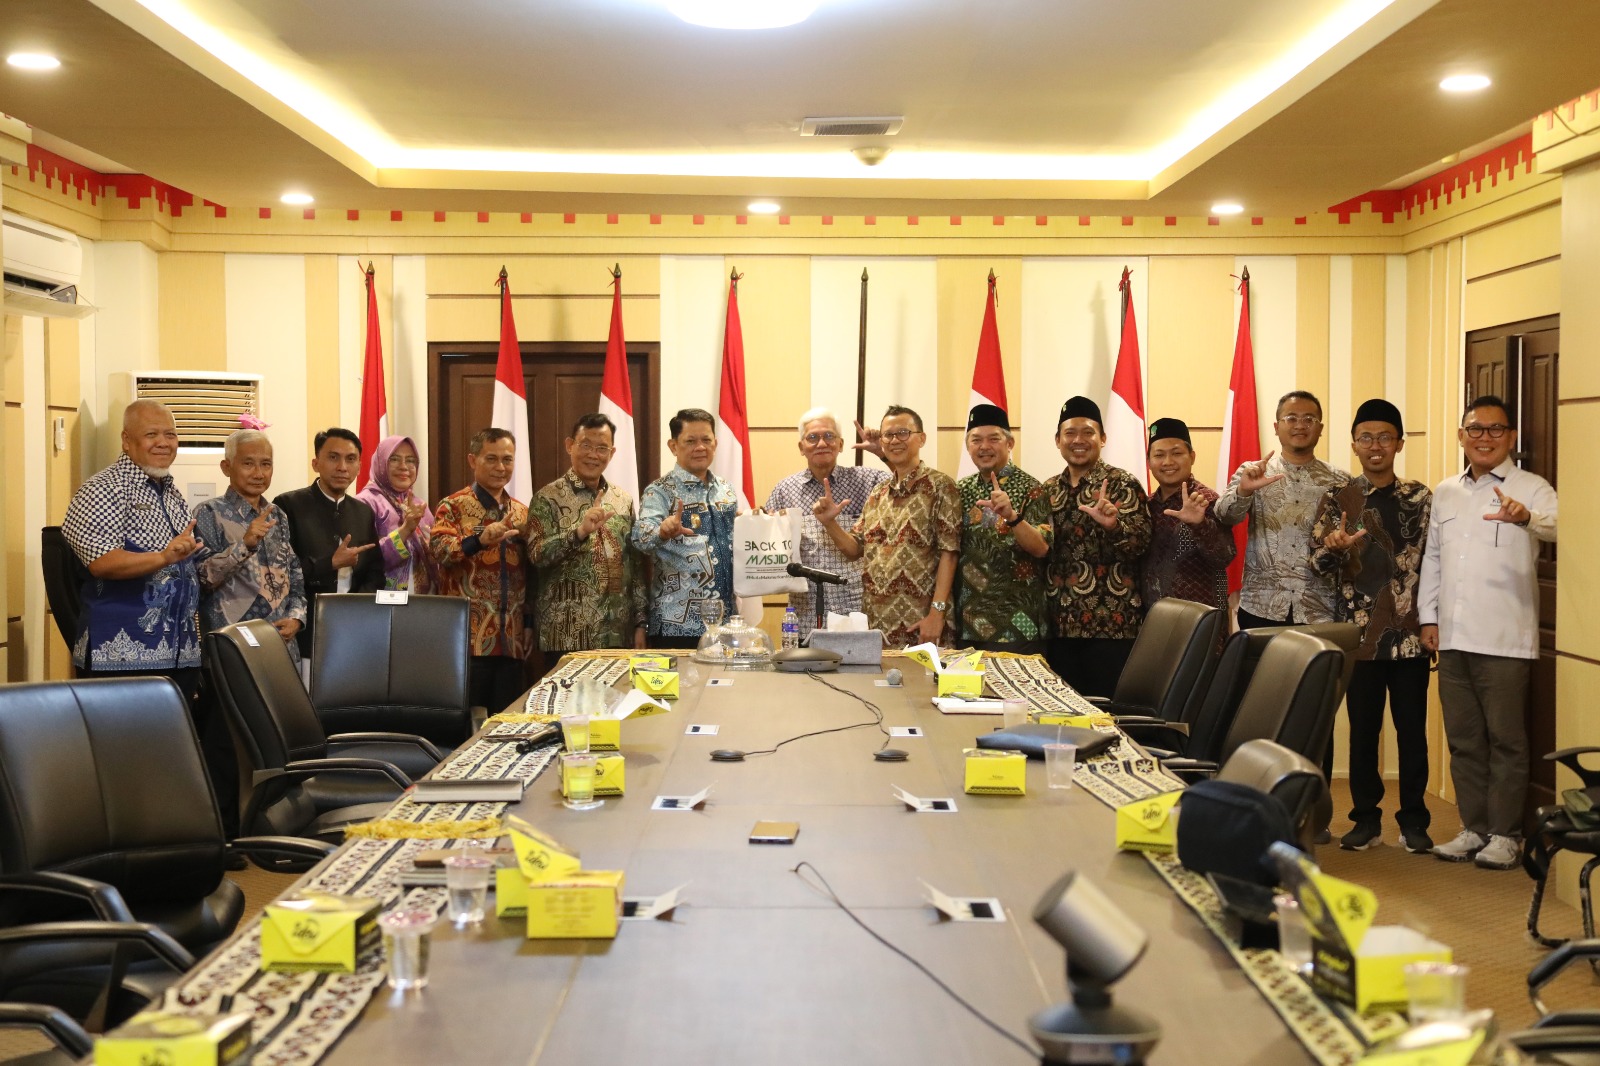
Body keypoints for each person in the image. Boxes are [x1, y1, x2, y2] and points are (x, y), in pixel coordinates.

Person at [1419, 394, 1558, 871]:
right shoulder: (1446, 491)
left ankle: (1505, 834)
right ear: (1461, 436)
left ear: (1511, 437)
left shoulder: (1533, 488)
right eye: (1475, 429)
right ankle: (1473, 827)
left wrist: (1527, 518)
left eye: (1496, 429)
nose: (1485, 438)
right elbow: (1433, 557)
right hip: (1453, 637)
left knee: (1506, 741)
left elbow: (1563, 528)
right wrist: (1428, 617)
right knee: (1464, 740)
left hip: (1505, 637)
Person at [1310, 399, 1433, 855]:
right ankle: (1365, 819)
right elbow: (1317, 563)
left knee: (1412, 734)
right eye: (1366, 437)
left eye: (1384, 437)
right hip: (1358, 638)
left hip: (1410, 637)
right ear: (1354, 445)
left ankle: (1415, 821)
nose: (1375, 445)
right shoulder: (1338, 498)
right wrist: (1335, 548)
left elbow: (1436, 564)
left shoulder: (1420, 498)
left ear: (1399, 443)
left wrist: (1432, 620)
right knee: (1362, 734)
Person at [61, 399, 202, 688]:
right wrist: (163, 558)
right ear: (126, 441)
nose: (163, 442)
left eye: (170, 434)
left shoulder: (172, 493)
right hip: (121, 658)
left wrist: (244, 547)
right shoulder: (103, 489)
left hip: (180, 655)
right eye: (151, 434)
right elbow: (102, 562)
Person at [813, 405, 960, 647]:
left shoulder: (940, 486)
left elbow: (950, 553)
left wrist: (937, 613)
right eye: (888, 435)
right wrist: (830, 523)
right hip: (877, 626)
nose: (894, 441)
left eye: (903, 433)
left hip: (923, 623)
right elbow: (854, 549)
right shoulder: (878, 493)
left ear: (921, 438)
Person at [1041, 396, 1152, 697]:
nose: (1078, 440)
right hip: (1059, 626)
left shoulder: (1122, 484)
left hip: (1112, 627)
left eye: (1088, 432)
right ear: (1058, 440)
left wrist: (1114, 526)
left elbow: (1141, 545)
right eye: (1070, 433)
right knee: (1062, 713)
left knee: (1107, 714)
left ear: (1102, 438)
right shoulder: (1047, 490)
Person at [1214, 390, 1348, 629]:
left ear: (1320, 428)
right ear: (1276, 427)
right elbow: (1224, 516)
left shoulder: (1340, 481)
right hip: (1261, 605)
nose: (1300, 425)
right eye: (1291, 418)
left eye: (1309, 419)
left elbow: (1354, 535)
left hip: (1317, 608)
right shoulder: (1253, 472)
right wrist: (1244, 491)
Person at [524, 414, 648, 657]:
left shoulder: (623, 500)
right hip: (565, 634)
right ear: (570, 445)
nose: (593, 455)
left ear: (612, 453)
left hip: (617, 633)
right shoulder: (547, 498)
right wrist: (579, 532)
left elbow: (634, 564)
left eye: (602, 448)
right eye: (586, 445)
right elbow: (536, 556)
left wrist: (640, 622)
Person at [430, 427, 533, 713]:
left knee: (505, 722)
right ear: (472, 460)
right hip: (467, 640)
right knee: (466, 723)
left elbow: (529, 574)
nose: (501, 467)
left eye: (507, 459)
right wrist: (479, 540)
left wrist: (528, 624)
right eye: (491, 458)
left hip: (511, 640)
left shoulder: (522, 513)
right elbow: (440, 550)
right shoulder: (453, 506)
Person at [762, 407, 888, 639]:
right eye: (813, 437)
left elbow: (906, 484)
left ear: (841, 444)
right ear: (801, 447)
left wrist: (883, 453)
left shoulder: (868, 481)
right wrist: (763, 523)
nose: (821, 443)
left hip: (857, 610)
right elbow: (769, 547)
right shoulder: (784, 490)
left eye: (829, 436)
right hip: (805, 611)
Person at [193, 428, 308, 663]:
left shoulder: (278, 515)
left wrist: (296, 618)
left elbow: (295, 577)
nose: (258, 473)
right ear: (226, 467)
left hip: (281, 645)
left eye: (266, 464)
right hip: (233, 647)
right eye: (248, 464)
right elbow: (202, 578)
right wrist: (244, 545)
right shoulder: (208, 512)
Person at [632, 409, 739, 649]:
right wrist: (662, 531)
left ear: (715, 443)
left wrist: (758, 524)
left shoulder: (726, 490)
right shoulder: (660, 491)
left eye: (706, 440)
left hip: (725, 621)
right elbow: (639, 538)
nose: (700, 447)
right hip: (676, 623)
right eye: (690, 441)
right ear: (673, 446)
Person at [274, 427, 383, 659]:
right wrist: (330, 563)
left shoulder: (363, 512)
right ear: (316, 463)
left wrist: (356, 607)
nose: (342, 467)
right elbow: (278, 573)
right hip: (303, 628)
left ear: (359, 467)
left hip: (354, 627)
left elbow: (375, 573)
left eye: (350, 459)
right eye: (333, 457)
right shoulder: (288, 505)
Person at [952, 404, 1052, 653]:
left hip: (1018, 624)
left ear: (1010, 443)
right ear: (968, 447)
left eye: (993, 439)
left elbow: (1041, 548)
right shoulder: (960, 489)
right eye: (976, 440)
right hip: (968, 624)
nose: (984, 446)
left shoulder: (1032, 488)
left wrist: (1012, 517)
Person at [1141, 417, 1235, 627]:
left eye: (1176, 453)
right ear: (1149, 462)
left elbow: (1225, 556)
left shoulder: (1207, 500)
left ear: (1192, 457)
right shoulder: (1146, 505)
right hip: (1154, 623)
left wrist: (1199, 525)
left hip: (1199, 624)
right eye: (1159, 455)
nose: (1168, 462)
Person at [356, 434, 438, 594]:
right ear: (381, 463)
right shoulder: (365, 503)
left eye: (410, 460)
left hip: (424, 602)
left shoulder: (419, 505)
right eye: (394, 459)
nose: (404, 466)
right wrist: (406, 530)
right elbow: (364, 560)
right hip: (381, 601)